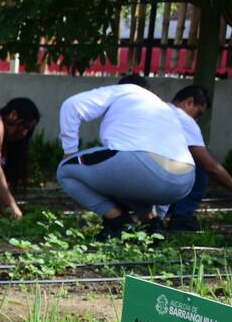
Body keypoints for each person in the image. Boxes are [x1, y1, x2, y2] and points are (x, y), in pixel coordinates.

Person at [57, 75, 195, 241]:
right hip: (184, 182)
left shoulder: (124, 91)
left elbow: (71, 105)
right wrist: (159, 216)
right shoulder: (163, 107)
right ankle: (152, 225)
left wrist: (69, 153)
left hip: (141, 167)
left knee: (65, 171)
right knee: (122, 178)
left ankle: (119, 221)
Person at [154, 85, 232, 232]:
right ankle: (182, 216)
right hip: (157, 175)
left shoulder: (157, 109)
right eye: (198, 114)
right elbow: (211, 167)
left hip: (129, 169)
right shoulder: (182, 118)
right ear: (189, 102)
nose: (196, 120)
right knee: (199, 164)